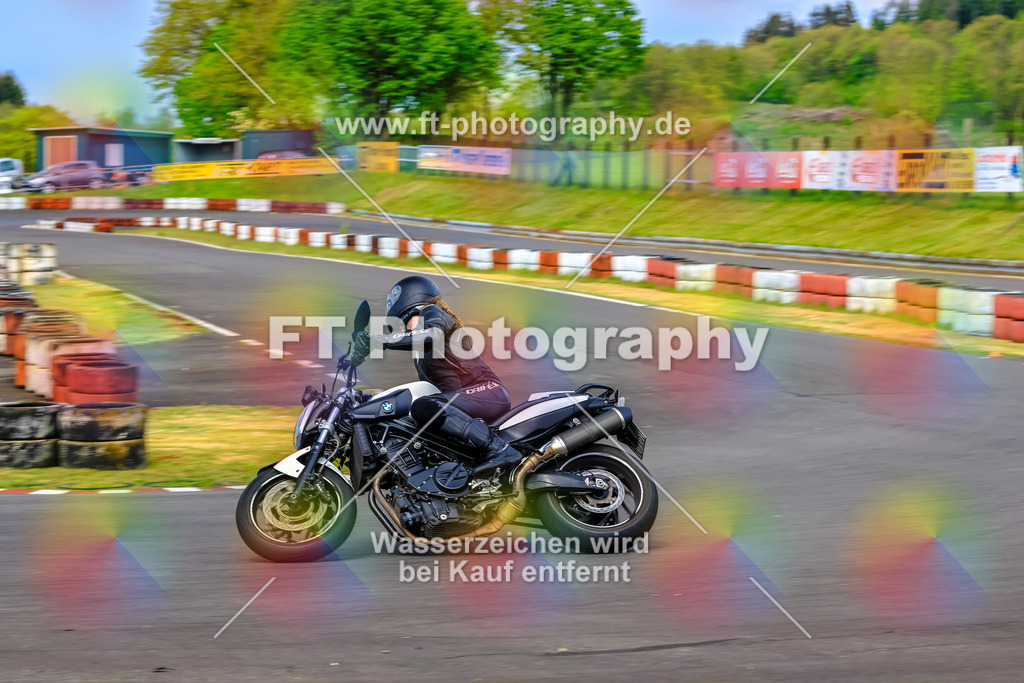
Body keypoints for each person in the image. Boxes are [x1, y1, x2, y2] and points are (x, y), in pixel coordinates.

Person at [350, 275, 521, 474]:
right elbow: (426, 389)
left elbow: (431, 335)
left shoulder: (432, 312)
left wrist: (378, 339)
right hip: (462, 401)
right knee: (416, 414)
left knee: (424, 407)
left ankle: (500, 449)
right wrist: (373, 401)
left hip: (487, 391)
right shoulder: (421, 352)